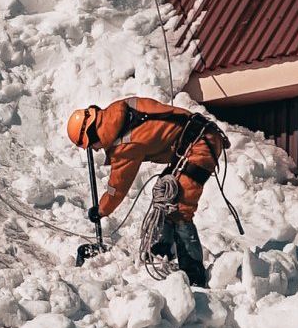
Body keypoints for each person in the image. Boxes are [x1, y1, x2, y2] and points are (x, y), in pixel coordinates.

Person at [66, 97, 227, 286]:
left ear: (92, 137)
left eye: (91, 146)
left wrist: (101, 210)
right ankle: (163, 251)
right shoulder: (119, 111)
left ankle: (194, 276)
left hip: (201, 145)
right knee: (166, 194)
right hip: (195, 138)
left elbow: (117, 187)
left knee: (180, 207)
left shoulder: (125, 145)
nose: (95, 150)